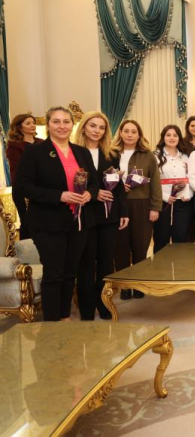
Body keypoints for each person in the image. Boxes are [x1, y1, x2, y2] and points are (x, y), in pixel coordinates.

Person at [16, 106, 98, 321]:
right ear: (48, 124)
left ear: (72, 125)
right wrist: (59, 195)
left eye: (66, 122)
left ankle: (64, 317)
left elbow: (95, 182)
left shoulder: (82, 152)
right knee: (54, 272)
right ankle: (52, 324)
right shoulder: (34, 152)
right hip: (47, 222)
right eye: (56, 121)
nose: (62, 126)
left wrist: (89, 193)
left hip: (78, 221)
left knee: (70, 272)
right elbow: (23, 186)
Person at [74, 111, 128, 320]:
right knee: (86, 263)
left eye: (102, 127)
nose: (97, 130)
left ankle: (104, 305)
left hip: (109, 215)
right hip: (85, 214)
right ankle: (87, 309)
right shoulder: (74, 153)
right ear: (84, 127)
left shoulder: (111, 154)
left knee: (106, 262)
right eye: (93, 125)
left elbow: (118, 186)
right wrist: (94, 194)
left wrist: (123, 211)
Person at [112, 119, 161, 300]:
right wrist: (117, 185)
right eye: (126, 131)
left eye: (134, 131)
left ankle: (139, 284)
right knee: (120, 247)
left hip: (142, 204)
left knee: (140, 246)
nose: (130, 135)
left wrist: (155, 207)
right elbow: (104, 177)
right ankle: (124, 286)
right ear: (121, 133)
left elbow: (155, 182)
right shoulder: (111, 153)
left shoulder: (148, 155)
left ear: (139, 135)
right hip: (118, 205)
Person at [153, 125, 193, 254]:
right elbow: (153, 182)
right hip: (163, 204)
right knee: (161, 238)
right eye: (168, 135)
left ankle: (179, 266)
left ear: (179, 138)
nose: (172, 138)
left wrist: (188, 194)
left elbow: (190, 178)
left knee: (181, 238)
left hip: (182, 203)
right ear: (163, 137)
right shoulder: (155, 156)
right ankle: (160, 266)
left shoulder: (185, 157)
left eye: (175, 135)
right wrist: (165, 197)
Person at [6, 113, 43, 240]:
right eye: (28, 123)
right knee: (27, 221)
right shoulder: (14, 145)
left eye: (33, 122)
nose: (33, 125)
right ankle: (26, 250)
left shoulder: (42, 143)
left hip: (41, 188)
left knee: (42, 221)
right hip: (22, 189)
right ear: (19, 127)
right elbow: (18, 170)